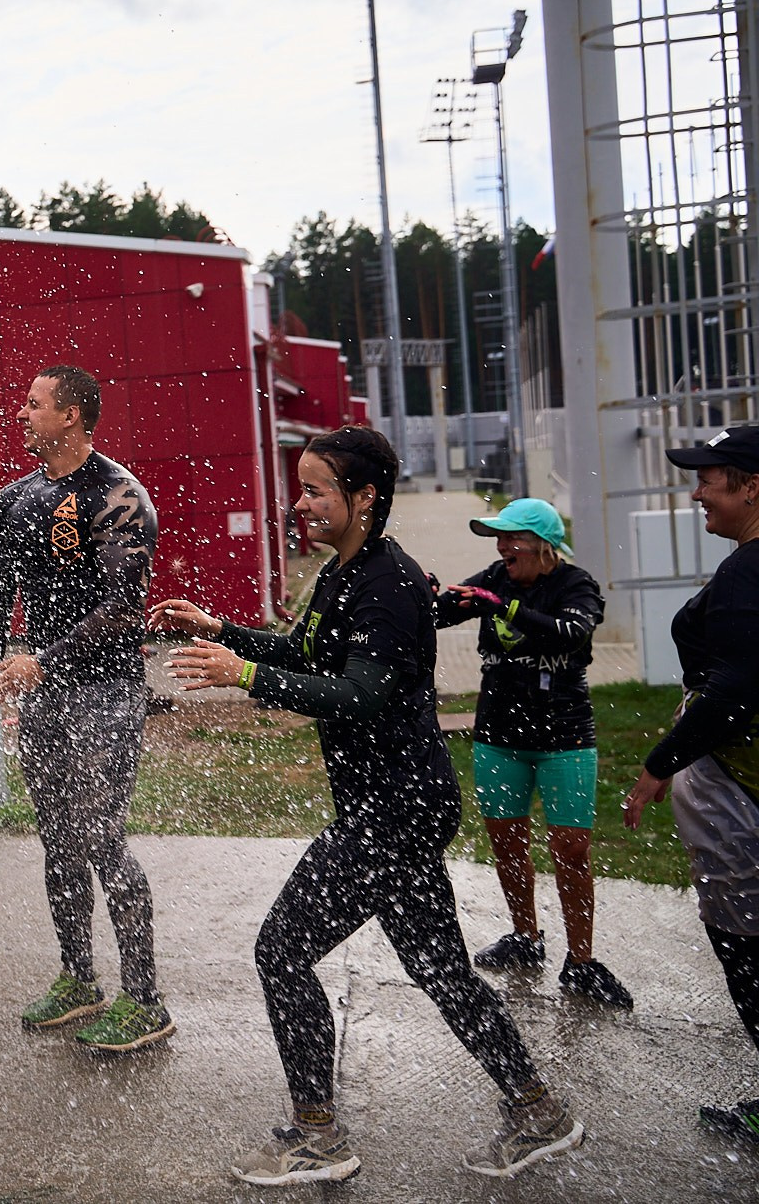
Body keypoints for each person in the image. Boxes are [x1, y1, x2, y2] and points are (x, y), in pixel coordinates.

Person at [152, 426, 581, 1186]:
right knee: (442, 969)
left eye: (318, 489)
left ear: (364, 498)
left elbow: (361, 693)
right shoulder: (344, 572)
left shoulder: (388, 583)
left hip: (395, 809)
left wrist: (245, 676)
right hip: (401, 805)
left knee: (280, 949)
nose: (302, 502)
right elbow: (312, 654)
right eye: (302, 486)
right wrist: (223, 632)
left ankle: (317, 1133)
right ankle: (538, 1107)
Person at [0, 365, 174, 1054]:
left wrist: (40, 661)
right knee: (57, 838)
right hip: (44, 694)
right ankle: (80, 978)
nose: (21, 413)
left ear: (73, 415)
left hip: (105, 690)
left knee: (100, 835)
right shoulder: (16, 498)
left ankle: (145, 999)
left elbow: (121, 611)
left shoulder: (119, 495)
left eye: (35, 403)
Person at [436, 497, 632, 1007]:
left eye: (512, 539)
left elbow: (573, 631)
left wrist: (501, 606)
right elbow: (447, 611)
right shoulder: (496, 575)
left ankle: (582, 961)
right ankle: (526, 937)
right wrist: (427, 596)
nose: (502, 548)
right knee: (507, 842)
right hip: (499, 733)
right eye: (497, 539)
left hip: (565, 736)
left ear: (543, 544)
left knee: (571, 848)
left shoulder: (575, 584)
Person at [622, 424, 759, 1143]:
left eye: (711, 476)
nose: (697, 489)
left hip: (739, 790)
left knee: (743, 942)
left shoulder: (746, 572)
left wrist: (659, 764)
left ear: (751, 486)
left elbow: (736, 688)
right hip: (738, 783)